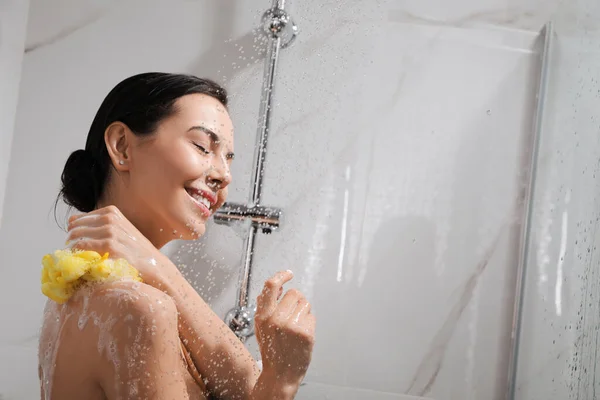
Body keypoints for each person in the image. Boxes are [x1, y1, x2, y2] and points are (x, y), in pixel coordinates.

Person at [38, 72, 316, 399]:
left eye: (228, 159)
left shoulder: (79, 291)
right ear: (122, 146)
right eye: (202, 146)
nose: (224, 176)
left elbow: (244, 389)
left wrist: (159, 268)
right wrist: (282, 380)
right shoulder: (140, 307)